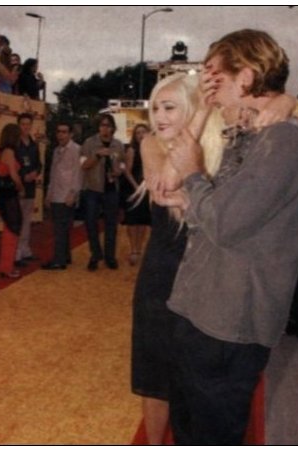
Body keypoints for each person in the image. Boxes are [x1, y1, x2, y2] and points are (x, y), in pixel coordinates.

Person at [161, 29, 298, 445]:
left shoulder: (284, 139)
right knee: (189, 432)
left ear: (244, 77)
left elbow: (226, 223)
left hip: (229, 323)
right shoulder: (253, 135)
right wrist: (192, 195)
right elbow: (215, 217)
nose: (206, 86)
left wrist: (193, 175)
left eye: (213, 75)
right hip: (200, 310)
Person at [131, 72, 226, 445]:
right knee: (155, 378)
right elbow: (166, 185)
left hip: (207, 278)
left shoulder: (220, 145)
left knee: (198, 376)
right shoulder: (151, 145)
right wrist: (199, 115)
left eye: (169, 107)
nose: (159, 117)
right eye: (155, 108)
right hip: (161, 276)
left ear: (190, 105)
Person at [80, 114, 125, 271]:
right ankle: (95, 255)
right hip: (93, 189)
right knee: (91, 223)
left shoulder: (118, 145)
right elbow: (84, 165)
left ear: (113, 128)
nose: (105, 128)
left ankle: (110, 257)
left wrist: (119, 171)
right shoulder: (89, 143)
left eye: (108, 125)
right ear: (98, 127)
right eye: (102, 125)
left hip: (111, 189)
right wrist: (98, 155)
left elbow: (123, 163)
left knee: (111, 224)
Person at [41, 122, 83, 270]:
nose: (60, 135)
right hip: (56, 194)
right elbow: (53, 174)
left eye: (64, 132)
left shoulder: (77, 150)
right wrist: (49, 194)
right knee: (60, 228)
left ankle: (59, 260)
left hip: (67, 195)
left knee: (61, 229)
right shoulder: (56, 150)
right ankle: (64, 256)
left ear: (71, 134)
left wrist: (73, 193)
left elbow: (79, 173)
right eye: (59, 131)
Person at [0, 124, 25, 279]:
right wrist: (21, 188)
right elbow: (14, 175)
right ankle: (6, 267)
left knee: (10, 229)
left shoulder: (3, 151)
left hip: (5, 195)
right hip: (8, 196)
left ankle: (6, 266)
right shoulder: (9, 152)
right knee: (12, 230)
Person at [120, 124, 152, 266]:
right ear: (134, 135)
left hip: (147, 188)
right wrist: (136, 187)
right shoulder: (132, 150)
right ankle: (133, 249)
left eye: (143, 132)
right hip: (133, 189)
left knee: (143, 220)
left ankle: (139, 249)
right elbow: (127, 171)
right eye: (138, 132)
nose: (140, 135)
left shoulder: (151, 150)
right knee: (133, 220)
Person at [14, 113, 42, 266]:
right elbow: (11, 166)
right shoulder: (14, 144)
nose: (26, 127)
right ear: (19, 125)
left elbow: (39, 164)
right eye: (23, 124)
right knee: (17, 221)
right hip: (18, 188)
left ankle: (25, 250)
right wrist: (23, 176)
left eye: (28, 124)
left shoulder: (34, 144)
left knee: (26, 221)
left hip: (30, 188)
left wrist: (35, 173)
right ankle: (16, 254)